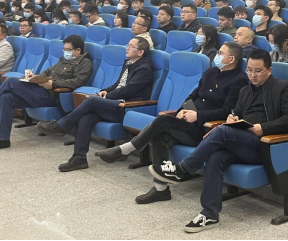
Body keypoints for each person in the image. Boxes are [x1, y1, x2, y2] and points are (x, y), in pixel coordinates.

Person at [149, 50, 288, 233]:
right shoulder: (245, 90)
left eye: (258, 71)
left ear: (269, 70)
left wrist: (263, 128)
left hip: (265, 144)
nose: (252, 75)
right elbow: (236, 113)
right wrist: (232, 119)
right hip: (242, 141)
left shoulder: (283, 87)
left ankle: (182, 169)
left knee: (220, 131)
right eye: (249, 70)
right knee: (216, 157)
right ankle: (210, 213)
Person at [96, 43, 248, 204]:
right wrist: (182, 110)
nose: (217, 55)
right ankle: (160, 189)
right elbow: (193, 95)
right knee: (159, 136)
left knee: (163, 120)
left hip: (206, 130)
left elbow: (227, 111)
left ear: (231, 59)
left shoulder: (239, 80)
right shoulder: (211, 72)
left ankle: (127, 148)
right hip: (188, 122)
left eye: (221, 53)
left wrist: (198, 116)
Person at [37, 38, 155, 172]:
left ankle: (62, 125)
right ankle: (79, 158)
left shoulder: (144, 69)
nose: (127, 48)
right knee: (85, 118)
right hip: (114, 104)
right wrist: (105, 91)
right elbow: (118, 84)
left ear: (140, 52)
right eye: (127, 45)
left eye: (131, 46)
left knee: (92, 101)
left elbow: (129, 90)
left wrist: (107, 96)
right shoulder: (129, 63)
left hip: (126, 108)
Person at [0, 35, 93, 151]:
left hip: (54, 95)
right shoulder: (63, 60)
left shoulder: (84, 63)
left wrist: (53, 84)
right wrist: (35, 77)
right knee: (6, 97)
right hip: (40, 90)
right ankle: (3, 139)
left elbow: (77, 82)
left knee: (11, 81)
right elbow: (46, 72)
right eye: (64, 49)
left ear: (78, 50)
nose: (65, 52)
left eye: (68, 50)